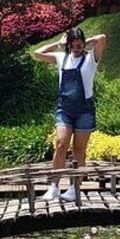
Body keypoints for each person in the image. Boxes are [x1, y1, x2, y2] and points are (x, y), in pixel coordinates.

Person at [32, 28, 107, 201]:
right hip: (64, 108)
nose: (76, 48)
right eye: (72, 46)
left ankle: (75, 187)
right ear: (68, 45)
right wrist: (58, 43)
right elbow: (37, 53)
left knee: (79, 149)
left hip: (84, 109)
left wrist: (86, 42)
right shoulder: (61, 58)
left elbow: (102, 38)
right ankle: (54, 186)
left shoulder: (91, 58)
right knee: (61, 143)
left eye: (79, 45)